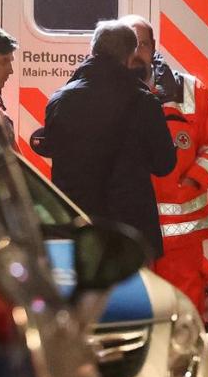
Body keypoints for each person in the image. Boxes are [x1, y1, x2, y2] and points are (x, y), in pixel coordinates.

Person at [119, 14, 208, 312]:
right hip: (126, 228)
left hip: (180, 232)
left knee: (183, 309)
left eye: (141, 44)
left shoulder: (191, 90)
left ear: (153, 46)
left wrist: (194, 179)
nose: (134, 52)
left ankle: (182, 361)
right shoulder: (106, 92)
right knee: (132, 309)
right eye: (128, 44)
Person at [42, 20, 176, 260]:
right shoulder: (144, 102)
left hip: (79, 229)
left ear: (92, 50)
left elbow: (51, 148)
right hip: (130, 233)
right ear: (130, 54)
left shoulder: (60, 100)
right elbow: (164, 164)